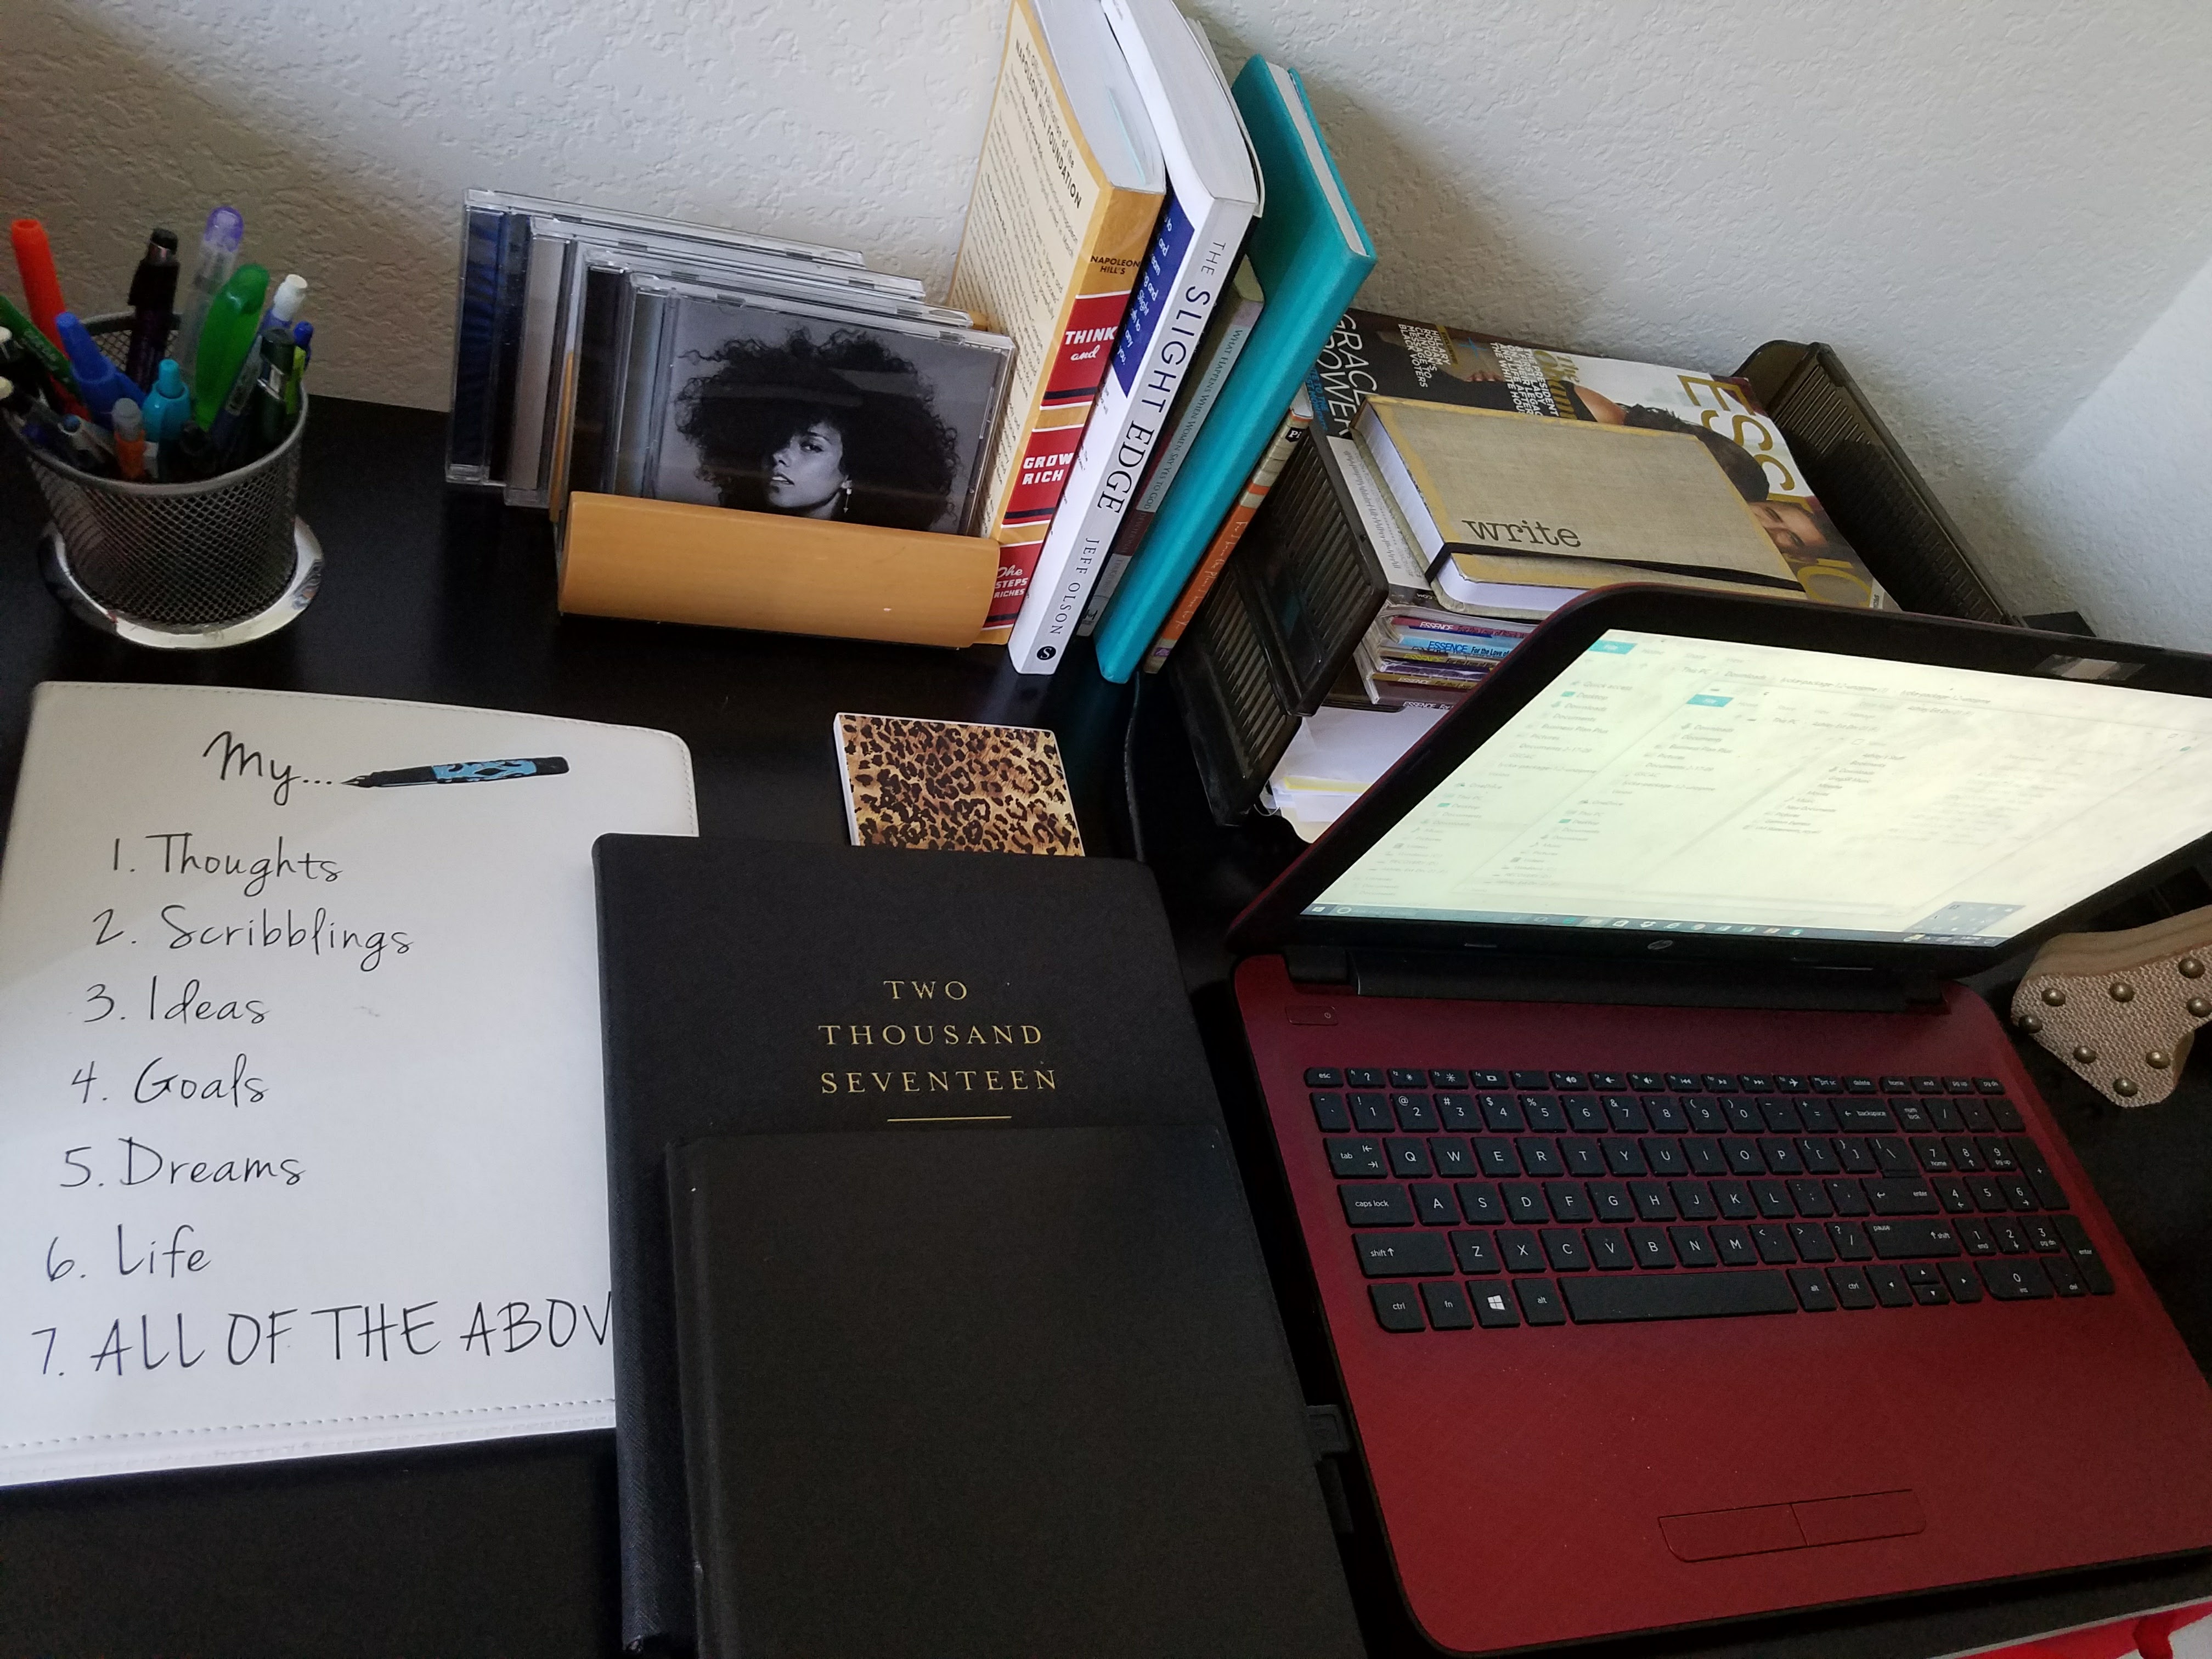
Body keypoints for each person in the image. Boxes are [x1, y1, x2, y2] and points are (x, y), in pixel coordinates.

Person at [675, 329, 959, 531]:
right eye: (776, 439)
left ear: (853, 472)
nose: (779, 455)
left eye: (811, 446)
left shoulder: (874, 563)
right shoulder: (727, 537)